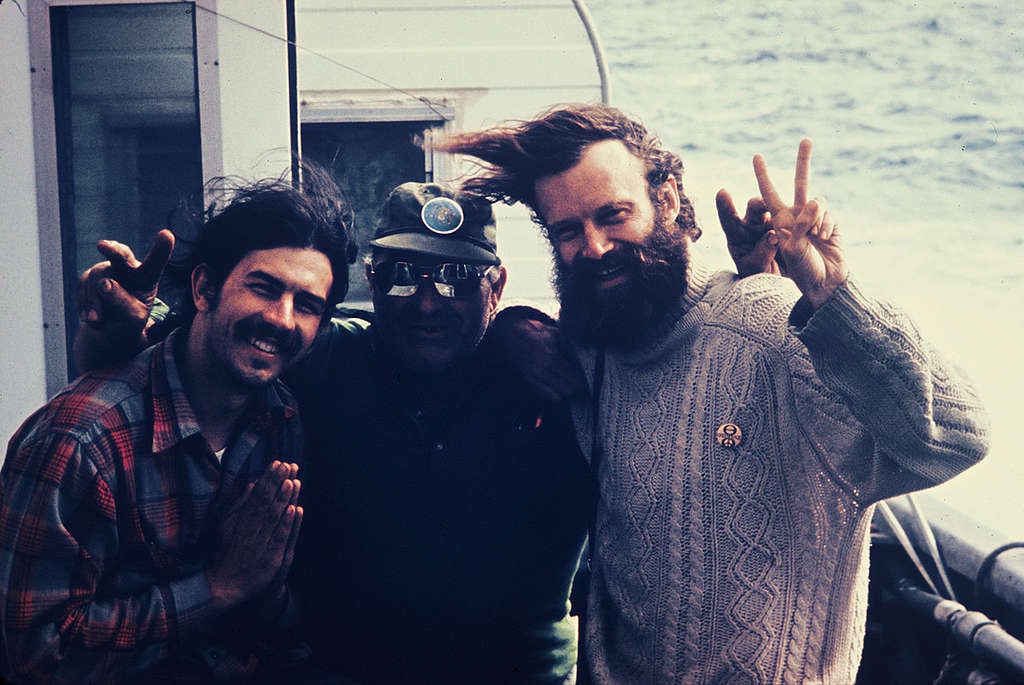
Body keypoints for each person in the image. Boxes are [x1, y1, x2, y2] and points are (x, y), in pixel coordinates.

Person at [438, 104, 991, 684]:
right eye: (569, 230)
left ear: (669, 200)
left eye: (614, 215)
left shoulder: (771, 327)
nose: (595, 247)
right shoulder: (594, 343)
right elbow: (542, 331)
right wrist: (511, 327)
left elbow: (955, 438)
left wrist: (832, 296)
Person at [73, 182, 594, 684]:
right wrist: (110, 328)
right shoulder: (322, 355)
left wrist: (522, 324)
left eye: (457, 277)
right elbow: (172, 339)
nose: (428, 302)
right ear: (371, 278)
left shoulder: (549, 375)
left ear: (497, 286)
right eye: (403, 275)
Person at [0, 170, 355, 684]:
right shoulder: (79, 442)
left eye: (307, 304)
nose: (282, 318)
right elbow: (37, 658)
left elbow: (273, 629)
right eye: (264, 288)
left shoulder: (282, 421)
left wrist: (267, 589)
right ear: (205, 287)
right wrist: (218, 587)